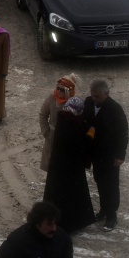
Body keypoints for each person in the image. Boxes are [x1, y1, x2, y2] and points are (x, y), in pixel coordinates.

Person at [42, 96, 96, 234]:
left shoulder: (64, 120)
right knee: (69, 198)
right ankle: (69, 224)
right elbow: (79, 145)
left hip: (59, 169)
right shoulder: (71, 125)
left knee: (57, 197)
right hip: (70, 169)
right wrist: (89, 135)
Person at [87, 79, 129, 232]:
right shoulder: (88, 103)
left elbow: (123, 134)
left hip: (110, 155)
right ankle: (104, 209)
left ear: (107, 94)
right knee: (99, 180)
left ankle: (112, 215)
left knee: (111, 185)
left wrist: (120, 155)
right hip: (96, 154)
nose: (94, 99)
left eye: (97, 96)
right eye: (92, 95)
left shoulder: (115, 109)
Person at [38, 76, 77, 172]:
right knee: (51, 164)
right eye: (58, 88)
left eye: (62, 90)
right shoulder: (52, 98)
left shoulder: (74, 102)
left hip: (67, 138)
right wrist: (46, 132)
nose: (58, 91)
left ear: (68, 91)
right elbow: (43, 115)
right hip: (52, 136)